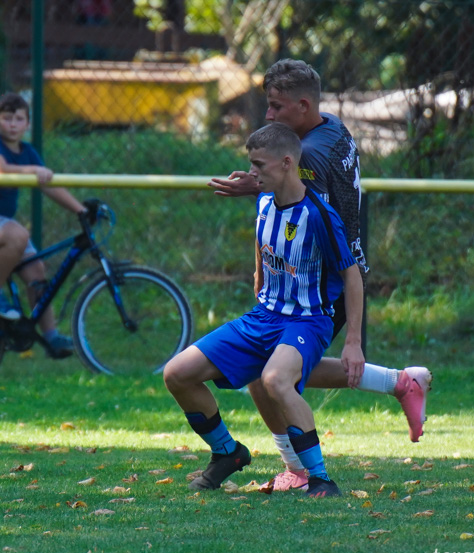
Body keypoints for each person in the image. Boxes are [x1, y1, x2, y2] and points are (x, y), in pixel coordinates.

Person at [209, 59, 432, 492]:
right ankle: (401, 383)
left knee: (269, 375)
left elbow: (296, 198)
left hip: (321, 282)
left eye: (275, 107)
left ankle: (300, 470)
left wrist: (250, 186)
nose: (269, 115)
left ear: (303, 104)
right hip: (311, 273)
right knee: (272, 372)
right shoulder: (333, 127)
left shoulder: (306, 155)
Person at [164, 122, 362, 498]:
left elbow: (352, 277)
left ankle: (319, 479)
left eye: (259, 165)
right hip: (263, 317)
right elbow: (261, 241)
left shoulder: (319, 215)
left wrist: (352, 339)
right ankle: (227, 453)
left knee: (274, 380)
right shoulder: (264, 200)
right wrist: (258, 273)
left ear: (287, 163)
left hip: (307, 319)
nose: (252, 173)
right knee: (177, 373)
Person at [0, 92, 86, 359]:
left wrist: (80, 209)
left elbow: (49, 184)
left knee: (37, 271)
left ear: (27, 124)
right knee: (18, 235)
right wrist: (33, 171)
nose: (13, 124)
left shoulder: (28, 152)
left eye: (19, 119)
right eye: (7, 118)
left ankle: (51, 337)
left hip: (0, 222)